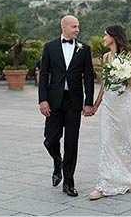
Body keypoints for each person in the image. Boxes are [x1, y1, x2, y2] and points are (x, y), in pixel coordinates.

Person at [38, 15, 95, 197]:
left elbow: (89, 78)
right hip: (53, 101)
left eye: (78, 26)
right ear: (63, 27)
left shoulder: (84, 49)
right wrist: (42, 100)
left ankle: (69, 182)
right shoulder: (50, 47)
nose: (77, 29)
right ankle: (57, 161)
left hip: (74, 102)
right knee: (50, 140)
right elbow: (44, 75)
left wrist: (88, 102)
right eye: (73, 26)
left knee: (71, 142)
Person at [89, 25, 131, 200]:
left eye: (105, 35)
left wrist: (125, 78)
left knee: (124, 141)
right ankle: (104, 184)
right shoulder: (106, 57)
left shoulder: (129, 57)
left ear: (114, 37)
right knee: (106, 142)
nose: (103, 38)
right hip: (108, 105)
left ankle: (130, 180)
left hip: (124, 106)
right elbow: (104, 84)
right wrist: (96, 104)